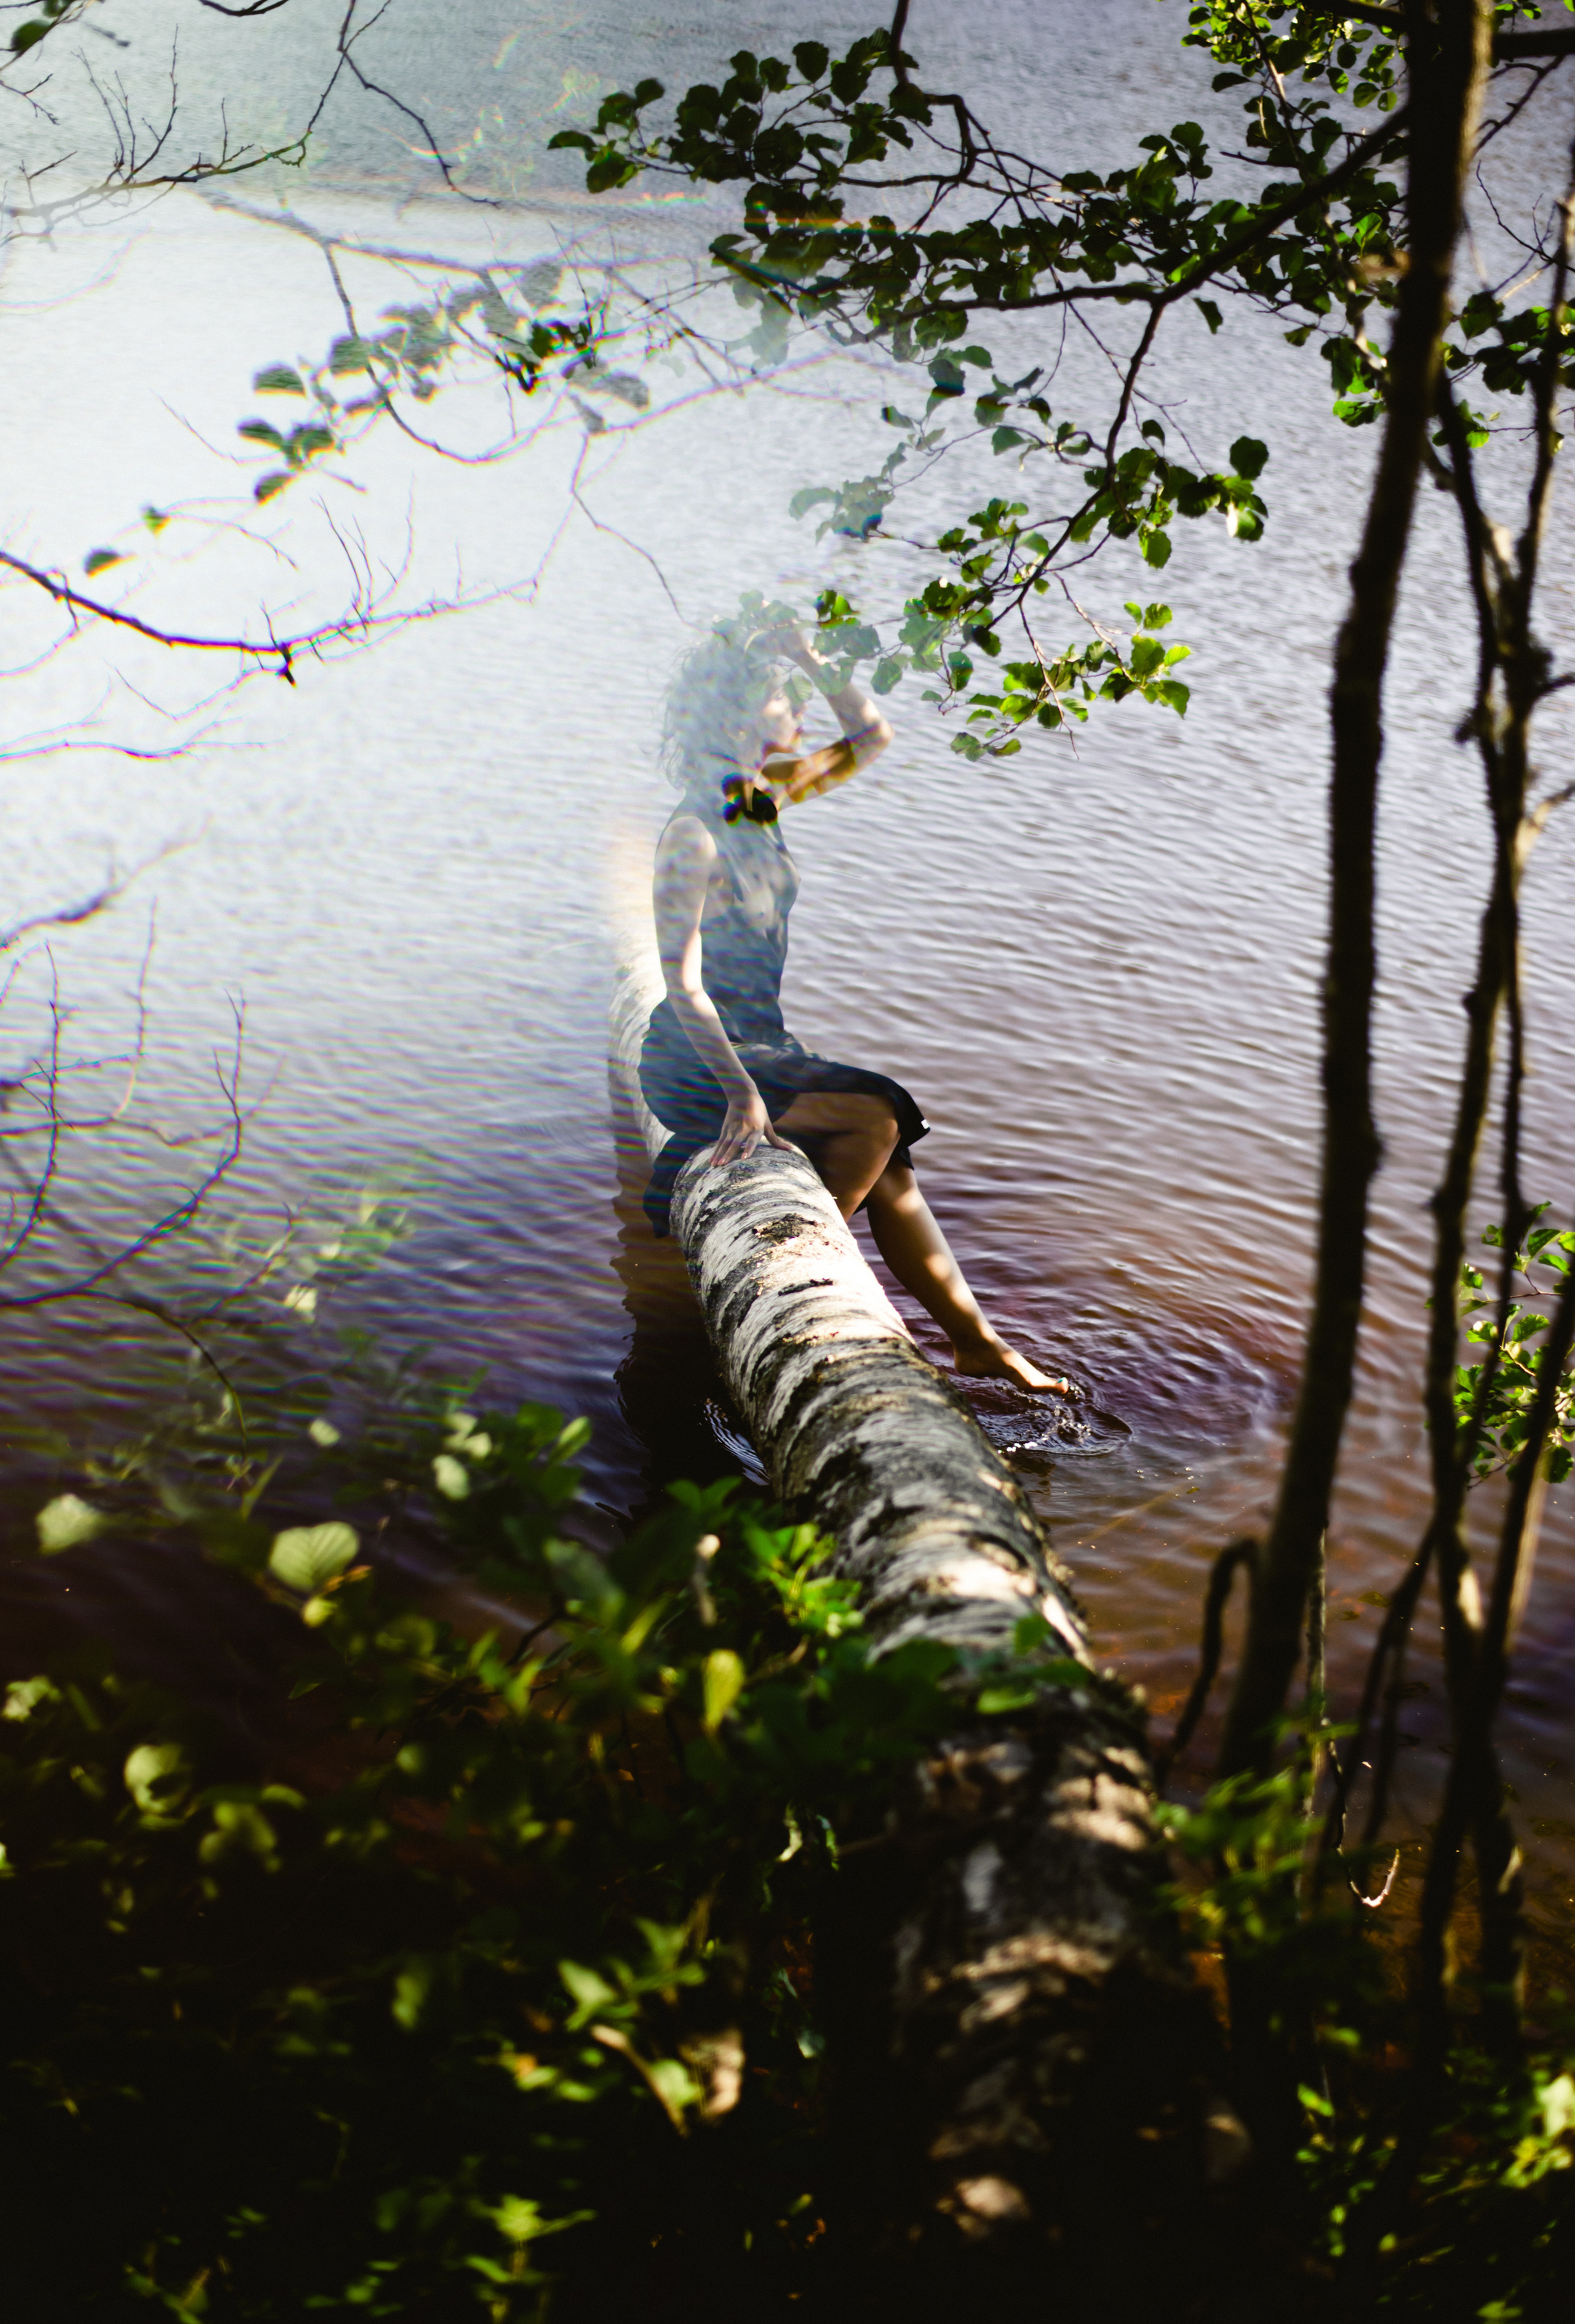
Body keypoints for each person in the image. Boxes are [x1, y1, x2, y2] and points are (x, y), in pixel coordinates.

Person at [639, 615, 1071, 1396]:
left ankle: (978, 1343)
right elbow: (681, 985)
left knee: (893, 1158)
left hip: (765, 1043)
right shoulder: (693, 831)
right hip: (695, 1062)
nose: (798, 711)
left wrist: (806, 653)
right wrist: (739, 1094)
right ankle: (795, 1270)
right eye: (784, 697)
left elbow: (871, 735)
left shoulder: (759, 801)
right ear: (741, 718)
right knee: (878, 1111)